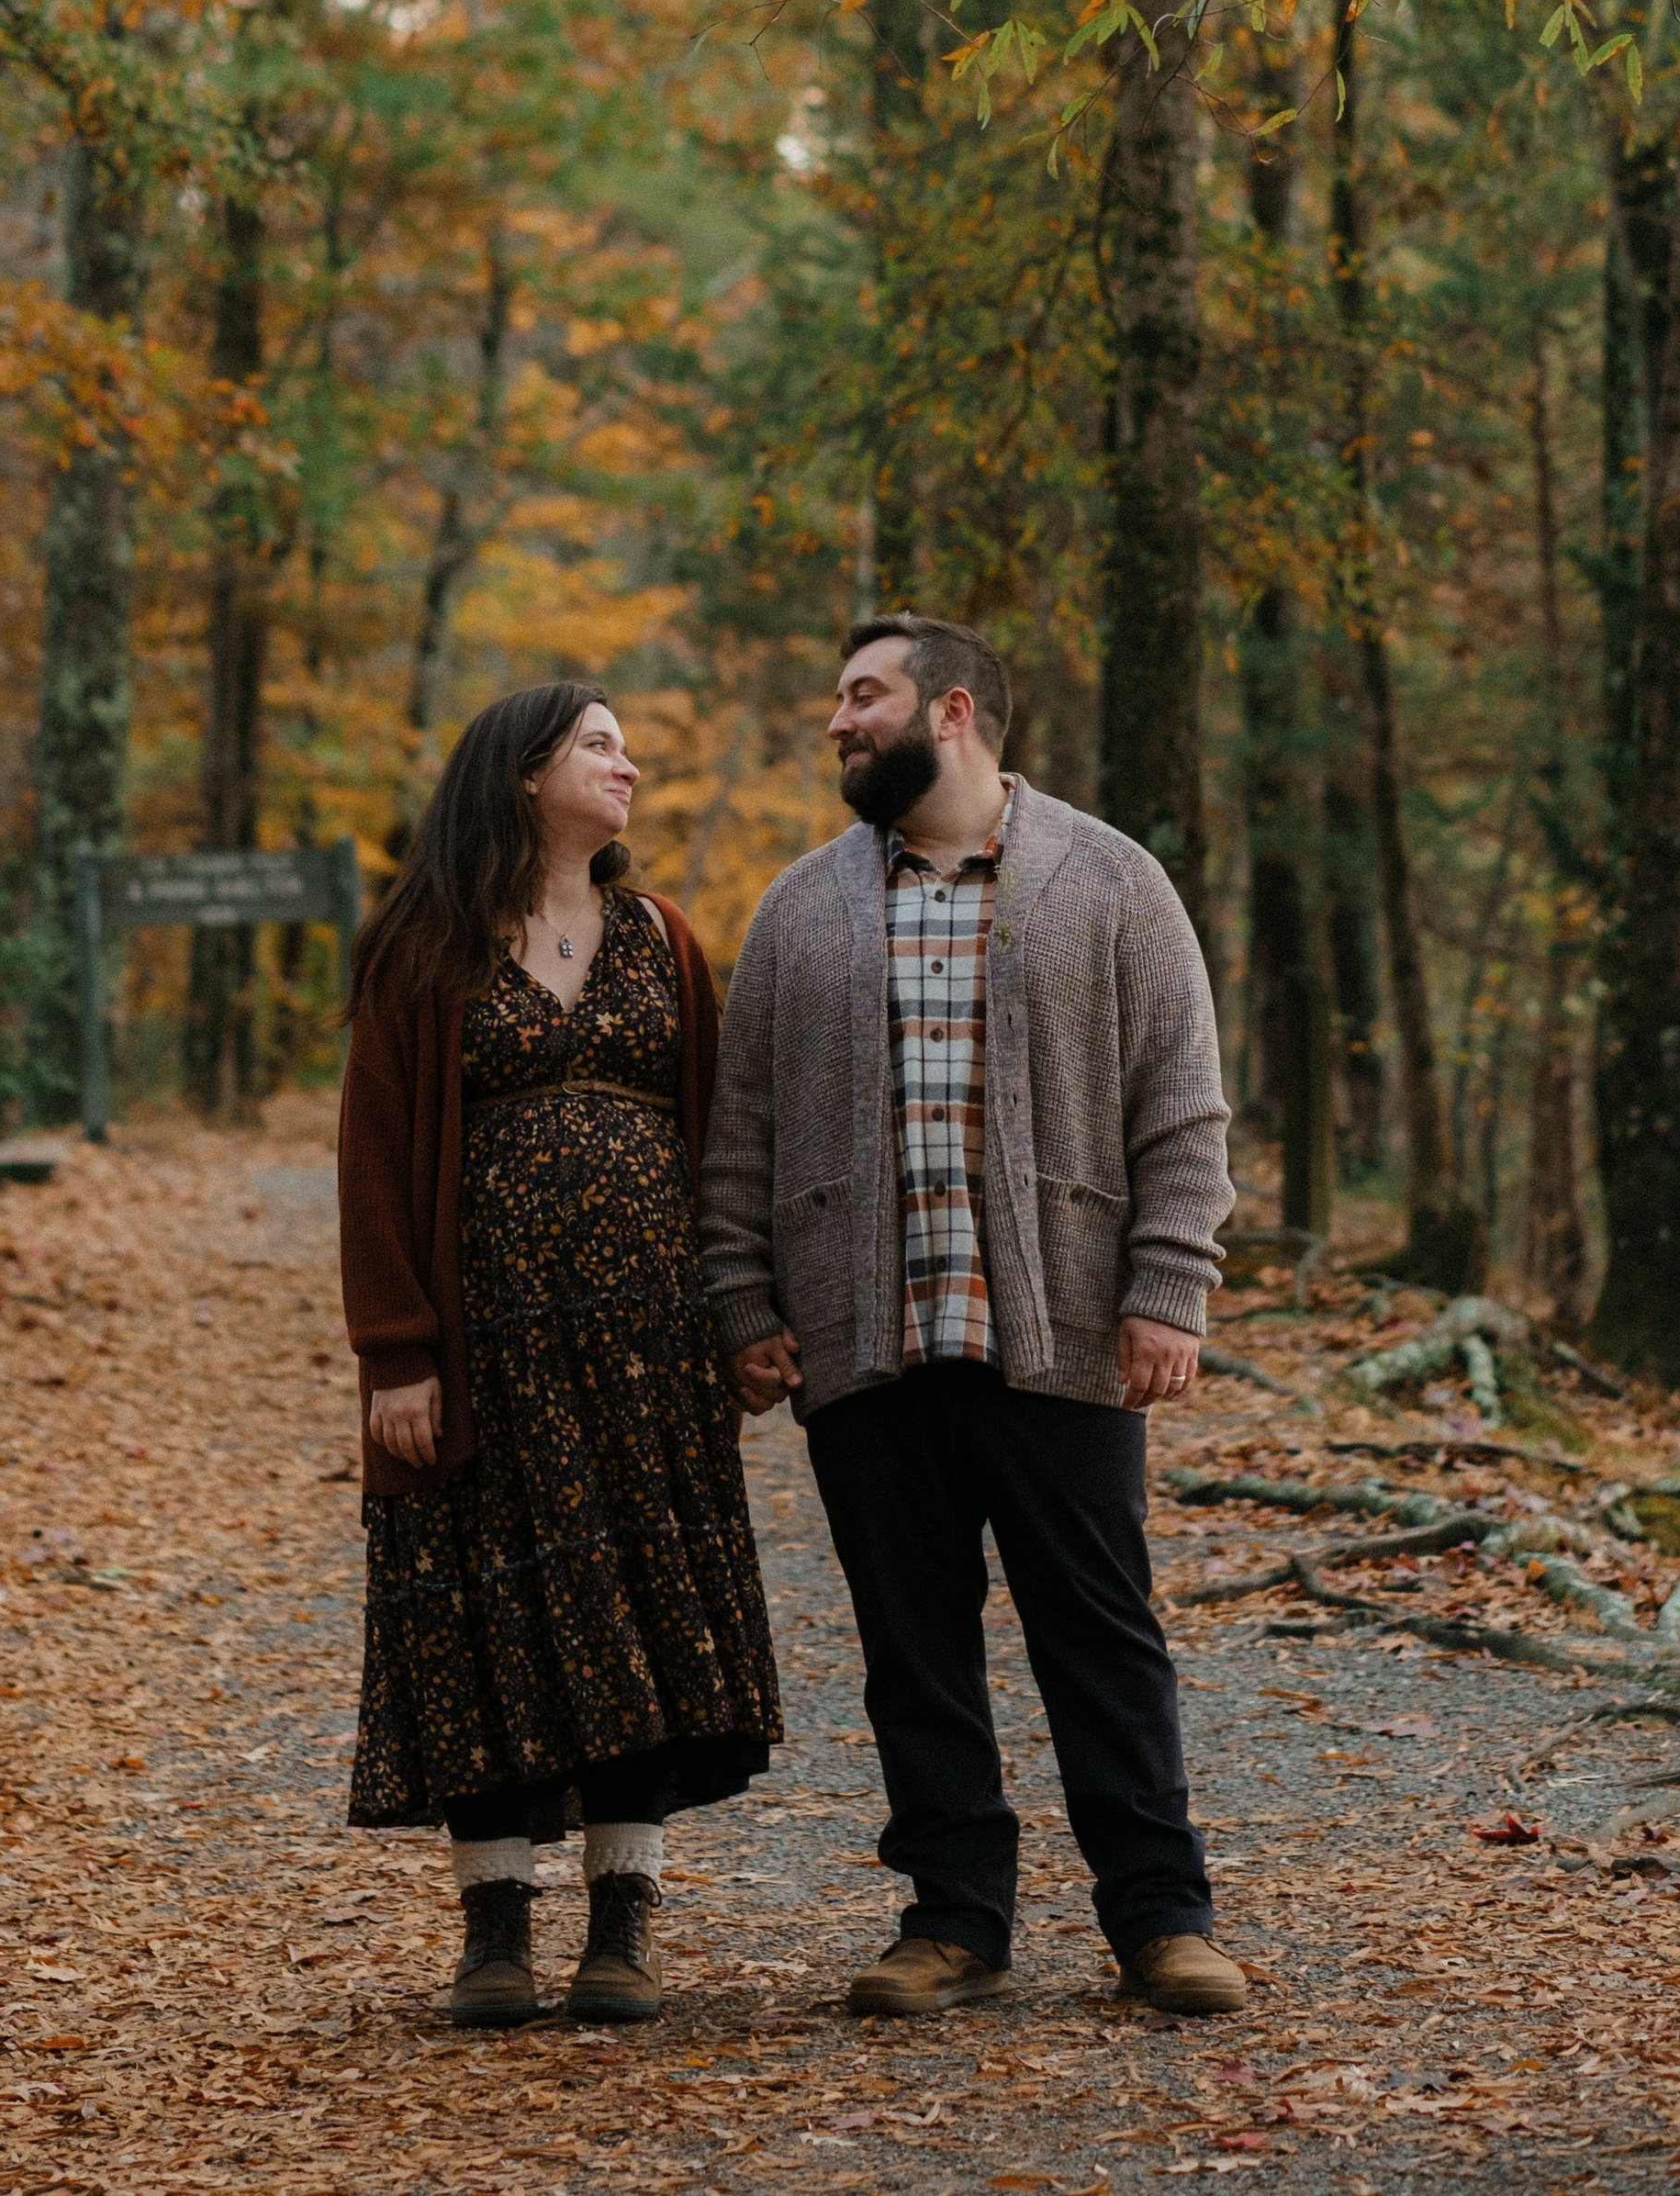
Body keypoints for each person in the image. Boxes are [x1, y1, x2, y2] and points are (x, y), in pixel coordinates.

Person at [699, 612, 1243, 2019]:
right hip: (864, 1343)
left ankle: (1161, 1919)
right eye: (838, 699)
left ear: (951, 710)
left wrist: (1167, 1287)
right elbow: (740, 1132)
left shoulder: (1110, 879)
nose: (838, 721)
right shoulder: (799, 908)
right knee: (912, 1649)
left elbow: (1181, 1107)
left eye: (863, 695)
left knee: (1100, 1635)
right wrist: (744, 1301)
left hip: (1060, 1335)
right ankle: (952, 1920)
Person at [339, 680, 781, 2031]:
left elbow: (720, 1143)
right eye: (599, 743)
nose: (626, 764)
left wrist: (741, 1313)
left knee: (631, 1613)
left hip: (649, 1353)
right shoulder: (427, 946)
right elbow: (373, 1160)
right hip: (488, 1357)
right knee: (488, 1616)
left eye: (627, 745)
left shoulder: (663, 937)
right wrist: (397, 1354)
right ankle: (493, 1932)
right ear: (523, 772)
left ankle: (622, 1925)